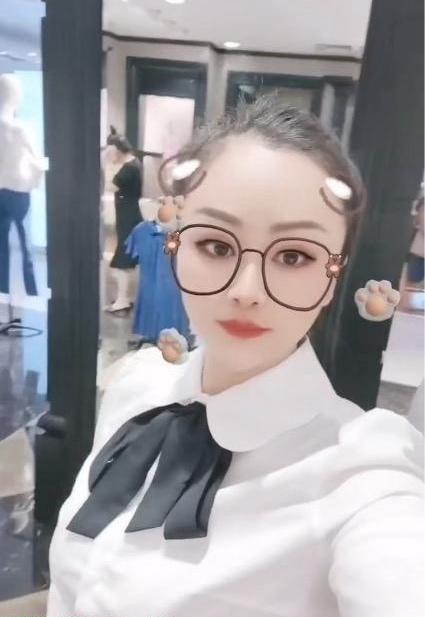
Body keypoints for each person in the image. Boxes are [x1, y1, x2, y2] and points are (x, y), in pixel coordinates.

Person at [47, 95, 423, 617]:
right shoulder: (135, 391)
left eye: (294, 255)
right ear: (176, 244)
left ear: (333, 278)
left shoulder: (358, 474)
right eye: (217, 247)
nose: (247, 291)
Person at [105, 130, 142, 312]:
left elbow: (109, 185)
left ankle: (123, 300)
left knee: (119, 266)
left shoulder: (128, 168)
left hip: (128, 220)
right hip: (129, 217)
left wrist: (110, 164)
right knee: (124, 265)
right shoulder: (134, 163)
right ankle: (123, 298)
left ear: (117, 150)